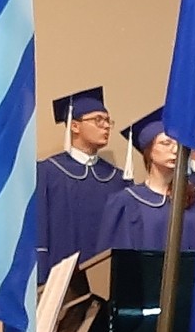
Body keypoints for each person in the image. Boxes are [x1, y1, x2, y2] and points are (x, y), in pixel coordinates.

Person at [37, 87, 128, 276]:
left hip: (105, 276)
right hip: (61, 274)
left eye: (108, 121)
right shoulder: (48, 171)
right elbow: (39, 228)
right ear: (74, 126)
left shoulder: (118, 179)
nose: (106, 126)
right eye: (98, 120)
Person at [97, 108, 195, 252]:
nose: (175, 150)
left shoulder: (194, 200)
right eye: (166, 143)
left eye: (179, 144)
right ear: (149, 151)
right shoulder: (127, 202)